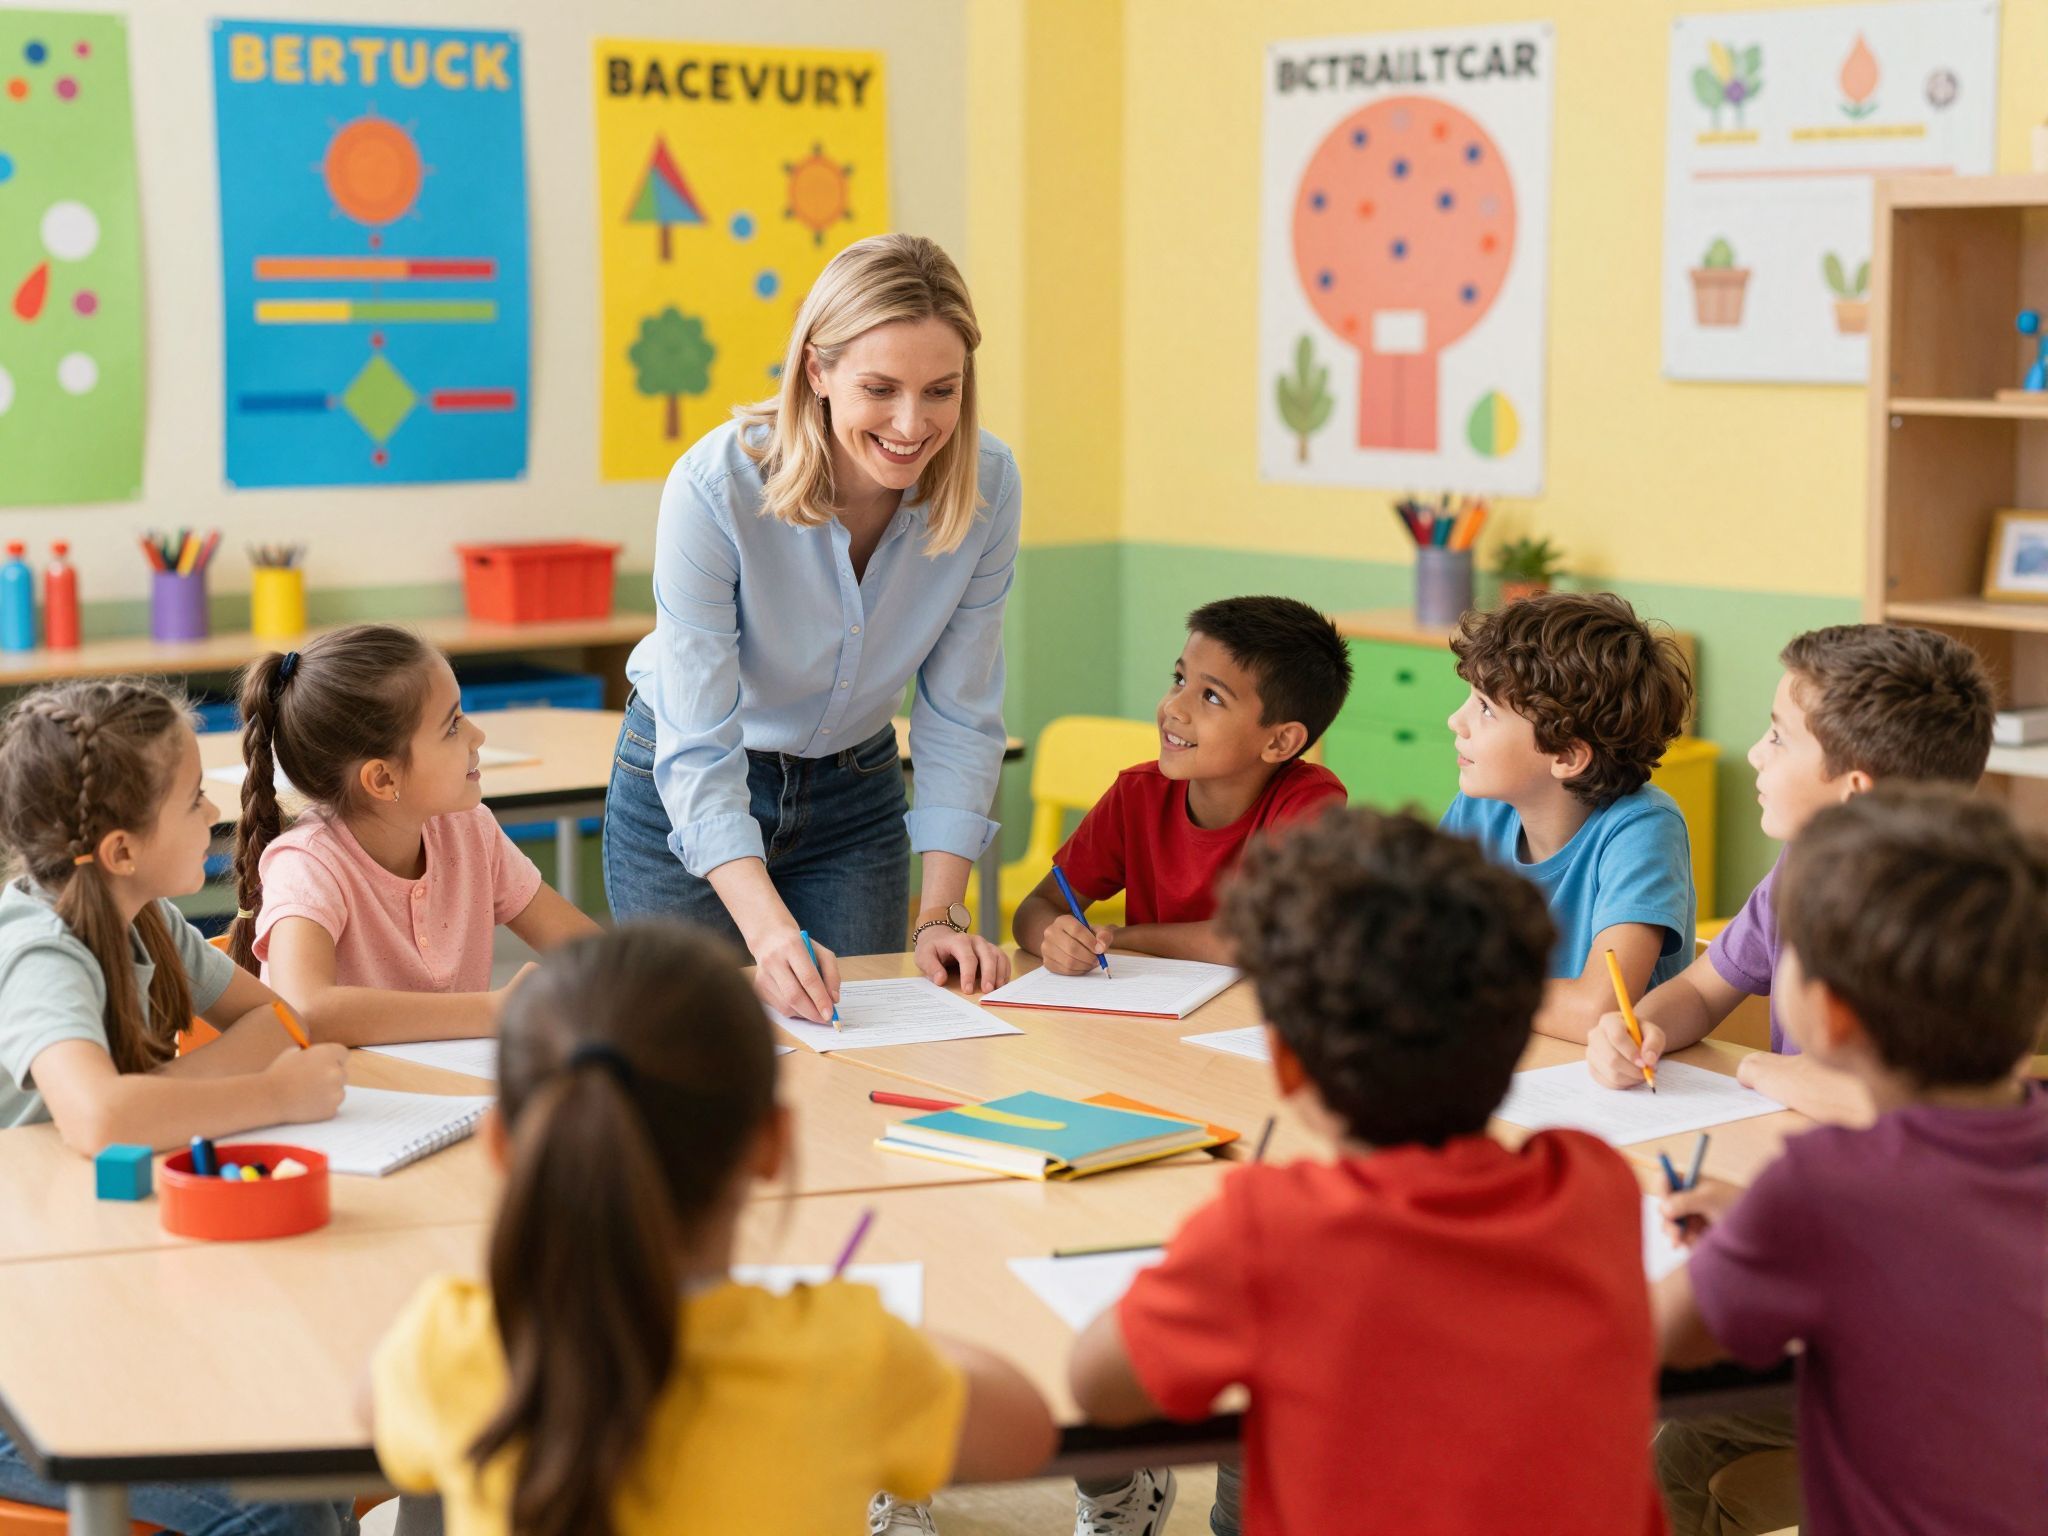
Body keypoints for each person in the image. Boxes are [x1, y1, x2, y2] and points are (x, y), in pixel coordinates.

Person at [604, 233, 1014, 1022]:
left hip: (853, 794)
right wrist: (770, 933)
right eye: (881, 387)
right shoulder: (715, 487)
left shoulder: (988, 484)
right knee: (695, 1049)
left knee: (857, 1047)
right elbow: (699, 745)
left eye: (941, 390)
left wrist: (941, 916)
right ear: (817, 371)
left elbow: (962, 712)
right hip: (690, 787)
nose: (911, 424)